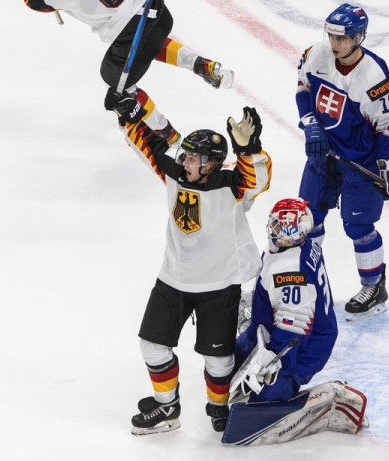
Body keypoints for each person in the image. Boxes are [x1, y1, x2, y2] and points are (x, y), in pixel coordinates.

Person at [108, 90, 271, 434]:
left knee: (218, 360)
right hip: (173, 279)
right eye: (187, 156)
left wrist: (248, 149)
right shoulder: (175, 172)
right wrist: (127, 114)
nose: (187, 162)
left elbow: (260, 179)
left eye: (196, 159)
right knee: (152, 346)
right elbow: (147, 142)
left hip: (219, 285)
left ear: (212, 163)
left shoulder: (232, 185)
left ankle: (218, 407)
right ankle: (167, 408)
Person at [221, 198, 368, 446]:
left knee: (262, 399)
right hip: (282, 329)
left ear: (302, 230)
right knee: (226, 369)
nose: (282, 235)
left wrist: (270, 364)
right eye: (278, 227)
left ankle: (324, 398)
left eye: (290, 230)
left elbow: (293, 331)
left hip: (302, 348)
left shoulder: (291, 272)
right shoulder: (300, 246)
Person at [295, 3, 389, 321]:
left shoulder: (375, 77)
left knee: (358, 226)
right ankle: (309, 286)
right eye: (331, 36)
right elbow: (302, 90)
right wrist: (311, 124)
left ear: (360, 37)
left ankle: (373, 287)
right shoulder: (315, 54)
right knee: (307, 221)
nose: (334, 43)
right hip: (323, 154)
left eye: (342, 38)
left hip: (361, 160)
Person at [24, 0, 233, 144]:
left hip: (129, 27)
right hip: (156, 11)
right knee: (146, 44)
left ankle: (167, 137)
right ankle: (203, 66)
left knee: (117, 88)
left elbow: (35, 4)